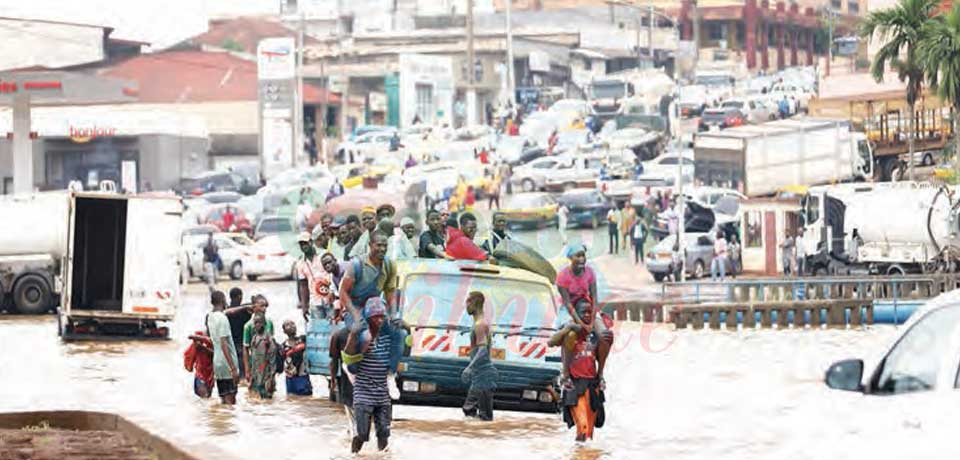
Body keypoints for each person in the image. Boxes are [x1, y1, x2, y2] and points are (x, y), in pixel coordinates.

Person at [549, 298, 609, 442]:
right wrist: (568, 328)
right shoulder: (570, 333)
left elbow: (604, 346)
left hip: (592, 387)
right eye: (584, 312)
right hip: (575, 386)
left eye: (590, 312)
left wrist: (600, 376)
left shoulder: (595, 333)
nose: (587, 315)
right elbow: (551, 342)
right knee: (582, 428)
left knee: (588, 434)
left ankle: (582, 456)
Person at [343, 300, 397, 453]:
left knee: (383, 435)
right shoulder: (361, 338)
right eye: (375, 317)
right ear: (368, 318)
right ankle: (353, 455)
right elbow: (349, 363)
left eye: (382, 317)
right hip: (363, 394)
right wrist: (353, 336)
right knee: (362, 434)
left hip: (382, 394)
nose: (379, 320)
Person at [461, 291, 498, 421]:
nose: (466, 305)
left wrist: (469, 367)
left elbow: (482, 349)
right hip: (481, 376)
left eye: (468, 302)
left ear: (475, 303)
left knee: (479, 414)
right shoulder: (481, 323)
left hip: (484, 376)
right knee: (471, 410)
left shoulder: (480, 325)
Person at [207, 291, 240, 405]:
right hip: (227, 364)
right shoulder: (223, 319)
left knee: (224, 399)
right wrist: (233, 368)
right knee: (231, 402)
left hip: (217, 363)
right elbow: (223, 343)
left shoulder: (210, 317)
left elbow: (227, 311)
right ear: (223, 300)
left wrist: (246, 307)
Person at [298, 231, 332, 321]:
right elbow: (303, 285)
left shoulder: (323, 255)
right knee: (319, 329)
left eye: (305, 243)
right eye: (301, 244)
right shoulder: (301, 263)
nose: (304, 246)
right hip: (315, 302)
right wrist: (304, 306)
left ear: (311, 242)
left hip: (330, 298)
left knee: (334, 328)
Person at [243, 295, 275, 381]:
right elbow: (245, 349)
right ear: (254, 307)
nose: (264, 309)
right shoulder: (248, 326)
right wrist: (247, 370)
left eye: (265, 306)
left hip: (268, 362)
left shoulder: (269, 323)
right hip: (255, 362)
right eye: (261, 306)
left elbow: (273, 344)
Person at [247, 312, 279, 399]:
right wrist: (251, 376)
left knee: (267, 400)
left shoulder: (268, 339)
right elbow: (253, 359)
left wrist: (271, 378)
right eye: (255, 323)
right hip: (256, 376)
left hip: (266, 377)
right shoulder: (254, 338)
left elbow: (272, 359)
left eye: (259, 322)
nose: (256, 325)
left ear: (264, 324)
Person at [282, 320, 313, 396]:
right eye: (288, 325)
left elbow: (310, 343)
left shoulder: (302, 339)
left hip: (302, 376)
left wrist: (292, 351)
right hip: (290, 378)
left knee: (306, 399)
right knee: (291, 400)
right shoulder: (283, 346)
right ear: (284, 331)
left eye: (293, 323)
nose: (292, 326)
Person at [184, 331, 214, 399]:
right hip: (200, 375)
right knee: (205, 398)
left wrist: (203, 348)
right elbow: (188, 356)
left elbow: (216, 354)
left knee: (207, 398)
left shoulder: (210, 343)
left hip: (210, 376)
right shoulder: (195, 346)